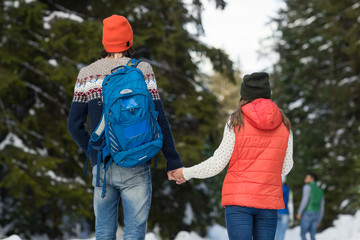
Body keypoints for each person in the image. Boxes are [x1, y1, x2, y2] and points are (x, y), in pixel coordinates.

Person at [67, 15, 184, 240]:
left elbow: (74, 125)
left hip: (103, 166)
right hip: (137, 161)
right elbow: (159, 118)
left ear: (104, 42)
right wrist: (172, 159)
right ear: (129, 41)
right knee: (135, 233)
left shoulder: (87, 74)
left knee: (103, 232)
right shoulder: (142, 70)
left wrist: (95, 155)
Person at [173, 72, 294, 240]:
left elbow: (218, 163)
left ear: (244, 96)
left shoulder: (236, 121)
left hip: (239, 202)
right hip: (268, 202)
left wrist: (186, 173)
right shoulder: (284, 124)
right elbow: (286, 167)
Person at [297, 172, 325, 240]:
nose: (305, 179)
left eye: (307, 178)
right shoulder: (321, 190)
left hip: (308, 213)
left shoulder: (307, 187)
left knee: (303, 233)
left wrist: (299, 212)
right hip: (317, 214)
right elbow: (322, 206)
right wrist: (320, 219)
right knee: (313, 235)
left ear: (312, 179)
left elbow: (305, 200)